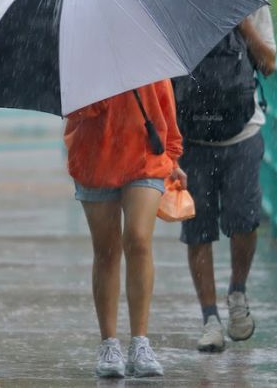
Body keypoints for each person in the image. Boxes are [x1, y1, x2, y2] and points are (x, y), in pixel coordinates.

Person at [64, 79, 187, 378]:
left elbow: (164, 106)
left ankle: (140, 343)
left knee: (138, 239)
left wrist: (173, 158)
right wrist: (99, 95)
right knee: (106, 251)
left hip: (145, 157)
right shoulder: (84, 62)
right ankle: (109, 344)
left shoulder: (143, 51)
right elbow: (74, 115)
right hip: (94, 159)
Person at [177, 5, 276, 352]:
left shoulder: (250, 0)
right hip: (193, 137)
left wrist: (243, 24)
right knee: (197, 229)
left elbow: (269, 65)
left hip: (243, 132)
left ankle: (237, 293)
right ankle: (209, 319)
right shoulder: (177, 5)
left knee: (245, 220)